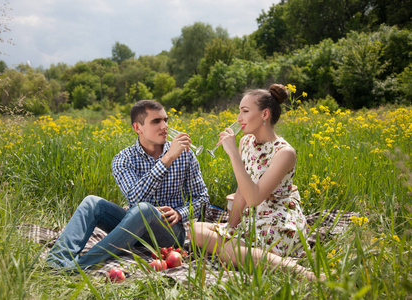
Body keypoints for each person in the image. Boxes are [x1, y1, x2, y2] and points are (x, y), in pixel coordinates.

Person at [46, 100, 209, 271]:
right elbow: (135, 197)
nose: (164, 126)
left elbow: (202, 197)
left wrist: (180, 213)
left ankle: (79, 266)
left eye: (165, 120)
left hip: (169, 233)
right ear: (138, 128)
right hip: (132, 229)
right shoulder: (123, 159)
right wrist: (166, 159)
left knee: (144, 209)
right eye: (156, 121)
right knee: (91, 202)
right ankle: (56, 261)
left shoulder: (186, 155)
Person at [189, 84, 323, 281]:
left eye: (245, 111)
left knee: (229, 251)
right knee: (194, 230)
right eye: (239, 111)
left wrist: (232, 153)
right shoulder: (246, 142)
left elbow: (253, 199)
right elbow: (242, 191)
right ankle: (253, 256)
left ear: (264, 114)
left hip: (276, 222)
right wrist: (230, 226)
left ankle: (302, 274)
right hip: (252, 221)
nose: (238, 119)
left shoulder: (284, 153)